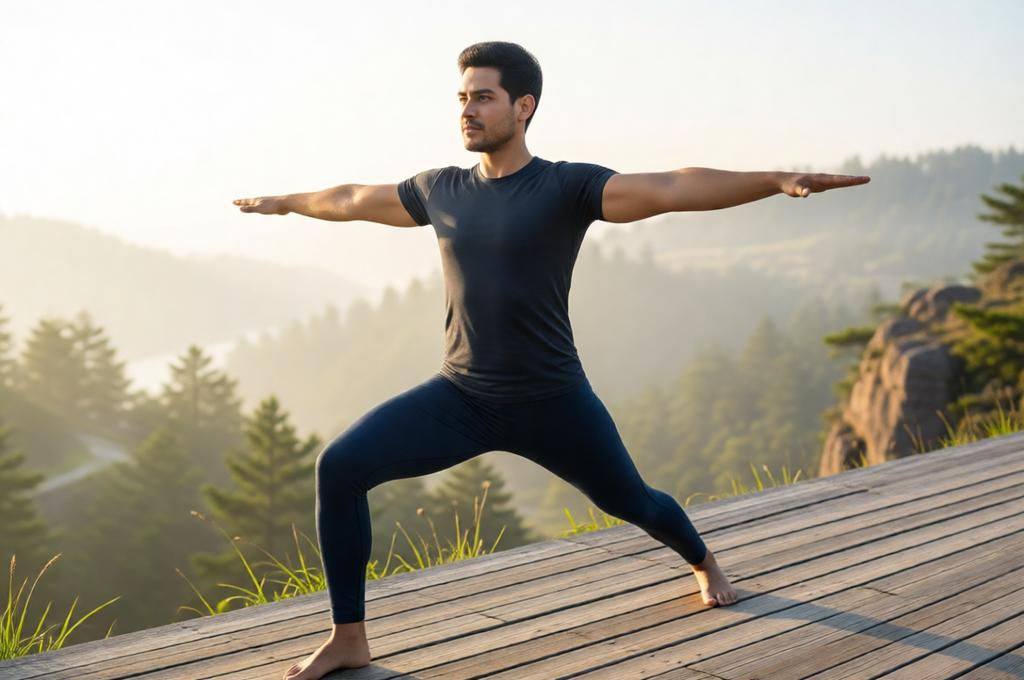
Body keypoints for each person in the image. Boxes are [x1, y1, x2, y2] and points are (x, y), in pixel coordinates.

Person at [233, 40, 870, 680]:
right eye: (462, 98)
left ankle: (703, 561)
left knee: (637, 503)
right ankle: (349, 638)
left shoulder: (565, 187)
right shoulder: (440, 190)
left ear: (524, 106)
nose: (468, 111)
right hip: (462, 397)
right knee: (339, 467)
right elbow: (349, 199)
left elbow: (673, 186)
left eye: (483, 97)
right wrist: (286, 201)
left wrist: (774, 181)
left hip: (552, 402)